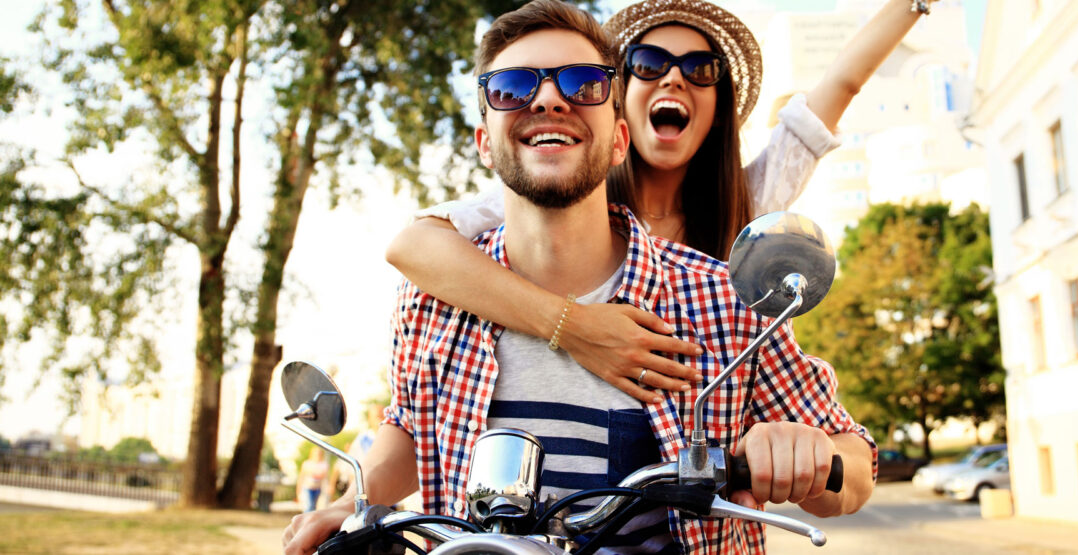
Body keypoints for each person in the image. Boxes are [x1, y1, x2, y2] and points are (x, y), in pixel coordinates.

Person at [283, 2, 875, 553]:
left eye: (583, 84)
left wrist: (803, 452)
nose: (548, 99)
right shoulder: (431, 294)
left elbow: (857, 465)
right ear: (484, 144)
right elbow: (413, 429)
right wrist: (349, 506)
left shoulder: (723, 296)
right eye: (512, 88)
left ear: (619, 139)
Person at [384, 0, 941, 404]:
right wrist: (574, 328)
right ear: (616, 103)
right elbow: (414, 246)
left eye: (700, 70)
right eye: (649, 63)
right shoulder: (563, 189)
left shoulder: (747, 203)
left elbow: (841, 84)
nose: (674, 78)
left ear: (718, 108)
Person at [296, 448, 327, 513]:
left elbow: (324, 476)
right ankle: (306, 518)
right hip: (308, 488)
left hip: (317, 488)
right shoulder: (307, 464)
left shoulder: (324, 464)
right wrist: (298, 489)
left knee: (314, 506)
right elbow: (301, 477)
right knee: (309, 506)